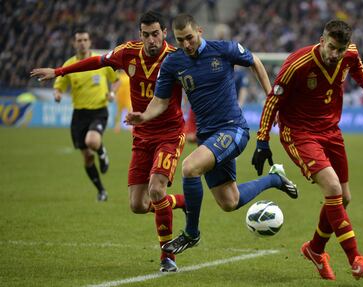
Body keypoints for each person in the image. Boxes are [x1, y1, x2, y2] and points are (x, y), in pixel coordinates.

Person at [124, 14, 299, 255]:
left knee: (189, 167)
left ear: (199, 31)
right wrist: (143, 116)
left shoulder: (223, 50)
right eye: (180, 40)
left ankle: (191, 233)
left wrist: (272, 100)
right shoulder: (173, 63)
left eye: (189, 38)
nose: (186, 44)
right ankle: (275, 179)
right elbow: (160, 101)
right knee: (230, 201)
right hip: (208, 137)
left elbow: (255, 62)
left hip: (233, 129)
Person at [30, 11, 187, 273]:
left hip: (170, 133)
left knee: (156, 190)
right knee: (138, 205)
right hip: (141, 136)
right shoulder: (127, 53)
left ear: (165, 33)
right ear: (140, 34)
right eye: (146, 34)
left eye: (155, 34)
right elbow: (95, 62)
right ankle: (183, 202)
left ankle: (167, 257)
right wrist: (58, 71)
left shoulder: (176, 58)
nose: (151, 40)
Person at [252, 20, 363, 280]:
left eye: (340, 49)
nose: (335, 54)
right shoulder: (298, 64)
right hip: (299, 132)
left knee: (344, 198)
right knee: (333, 189)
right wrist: (262, 140)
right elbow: (273, 99)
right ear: (321, 40)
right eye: (331, 47)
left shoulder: (349, 54)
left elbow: (359, 68)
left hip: (331, 131)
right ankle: (355, 259)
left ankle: (315, 249)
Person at [48, 29, 120, 202]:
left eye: (85, 39)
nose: (82, 42)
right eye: (79, 40)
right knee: (87, 157)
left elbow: (116, 80)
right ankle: (101, 190)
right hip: (79, 115)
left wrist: (112, 93)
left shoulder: (100, 62)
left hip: (99, 111)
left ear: (90, 42)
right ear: (74, 43)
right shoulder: (69, 65)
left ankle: (102, 153)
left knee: (92, 141)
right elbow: (59, 84)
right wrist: (57, 93)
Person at [113, 69, 132, 133]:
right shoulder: (118, 76)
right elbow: (115, 86)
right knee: (118, 113)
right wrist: (115, 95)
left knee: (129, 112)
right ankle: (117, 126)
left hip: (127, 98)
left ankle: (130, 126)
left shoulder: (129, 76)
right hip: (120, 98)